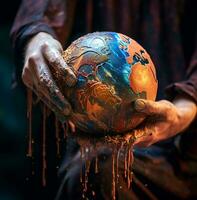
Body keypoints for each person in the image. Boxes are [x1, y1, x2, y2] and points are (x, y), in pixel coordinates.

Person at [11, 0, 197, 199]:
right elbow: (41, 9)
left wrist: (185, 108)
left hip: (183, 153)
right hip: (87, 148)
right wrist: (36, 38)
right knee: (96, 169)